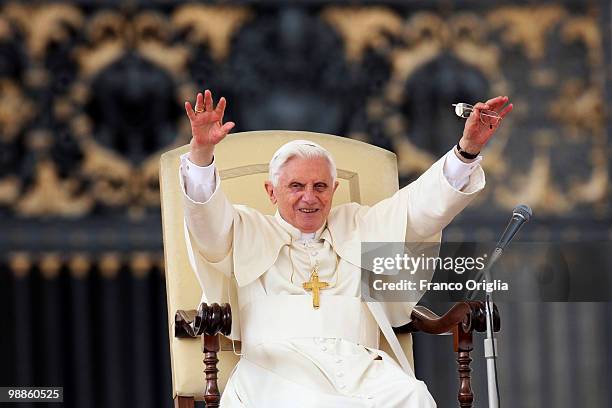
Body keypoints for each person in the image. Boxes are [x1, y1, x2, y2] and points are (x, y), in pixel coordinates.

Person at [180, 90, 512, 407]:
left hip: (359, 367)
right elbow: (206, 222)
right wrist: (201, 154)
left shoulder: (357, 226)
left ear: (334, 189)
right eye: (296, 186)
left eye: (320, 186)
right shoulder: (246, 229)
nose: (309, 197)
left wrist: (466, 150)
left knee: (414, 397)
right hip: (275, 370)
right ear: (271, 191)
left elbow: (418, 209)